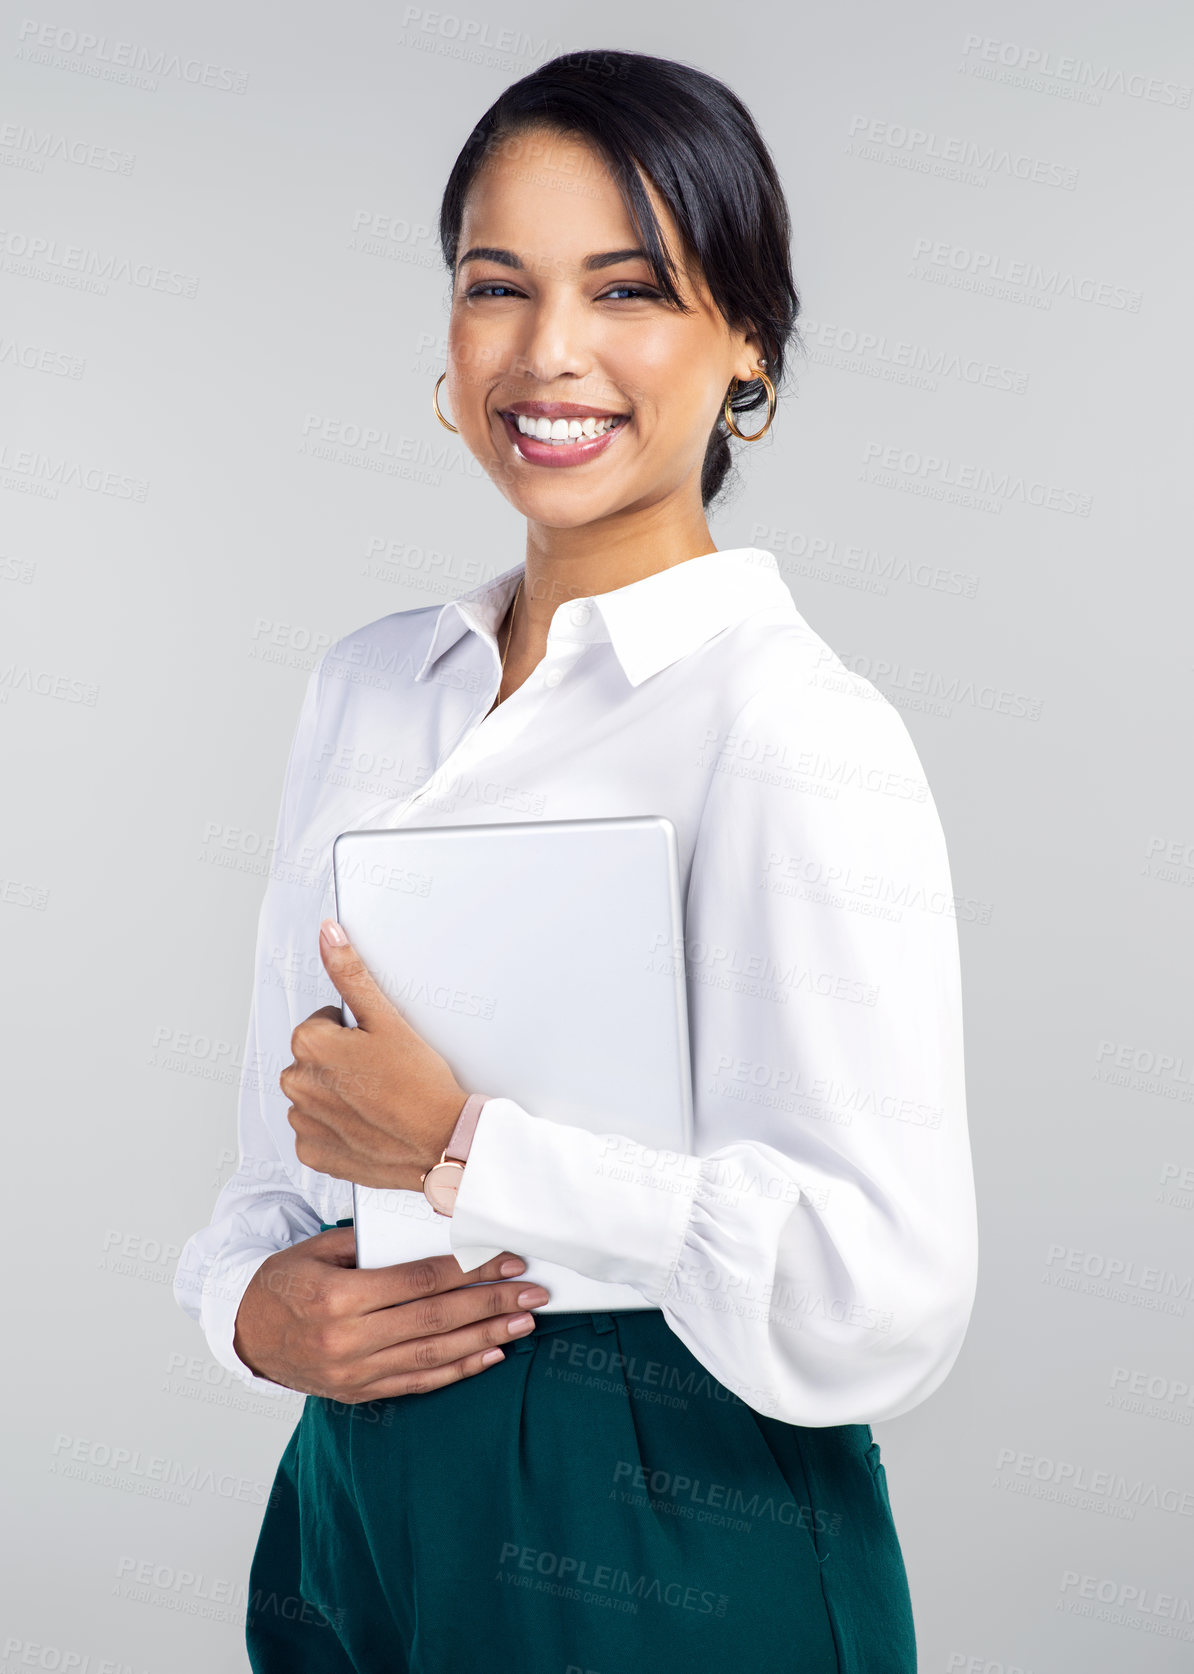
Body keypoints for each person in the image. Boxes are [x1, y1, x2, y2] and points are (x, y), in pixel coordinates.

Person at [174, 47, 977, 1673]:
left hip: (665, 1517)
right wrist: (250, 1310)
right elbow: (286, 1155)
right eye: (498, 286)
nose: (550, 353)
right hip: (354, 1506)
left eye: (630, 290)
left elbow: (882, 1292)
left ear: (745, 345)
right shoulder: (369, 687)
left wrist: (470, 1146)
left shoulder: (786, 728)